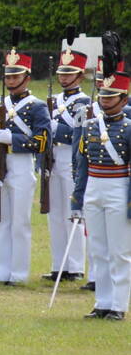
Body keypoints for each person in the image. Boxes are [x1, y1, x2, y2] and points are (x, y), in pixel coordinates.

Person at [0, 47, 50, 285]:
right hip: (0, 165)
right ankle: (1, 272)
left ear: (26, 78)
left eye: (15, 76)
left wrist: (15, 141)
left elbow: (43, 140)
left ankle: (18, 274)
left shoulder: (37, 106)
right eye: (8, 76)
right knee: (0, 220)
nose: (10, 81)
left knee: (20, 223)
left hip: (21, 164)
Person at [71, 66, 131, 320]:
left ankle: (118, 305)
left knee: (119, 251)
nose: (105, 101)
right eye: (103, 96)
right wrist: (77, 197)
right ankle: (102, 302)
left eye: (111, 97)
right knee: (98, 249)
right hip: (94, 186)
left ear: (124, 99)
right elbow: (82, 163)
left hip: (119, 186)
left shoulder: (128, 128)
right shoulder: (91, 125)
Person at [44, 47, 91, 282]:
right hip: (52, 158)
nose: (63, 77)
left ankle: (75, 266)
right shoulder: (53, 99)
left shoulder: (83, 102)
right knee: (55, 214)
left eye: (69, 73)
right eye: (61, 72)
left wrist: (57, 131)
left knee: (73, 213)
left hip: (71, 158)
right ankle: (58, 264)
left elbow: (79, 133)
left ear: (80, 76)